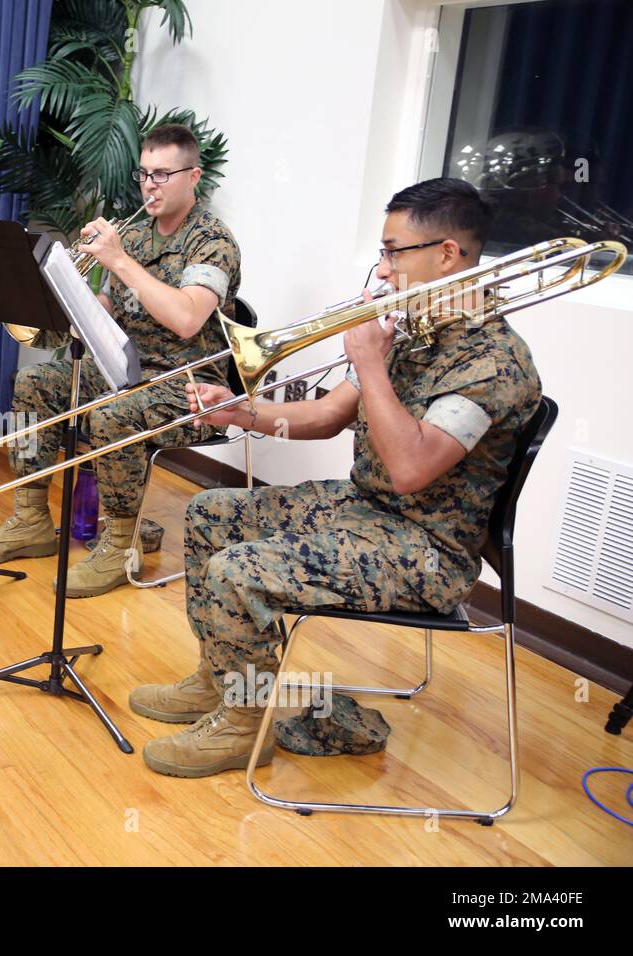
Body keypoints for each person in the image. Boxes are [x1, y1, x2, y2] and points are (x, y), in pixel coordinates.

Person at [134, 177, 542, 778]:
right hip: (366, 508)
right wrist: (241, 413)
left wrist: (371, 362)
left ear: (448, 254)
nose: (382, 270)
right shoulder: (414, 331)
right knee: (209, 513)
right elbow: (327, 415)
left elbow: (410, 469)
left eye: (393, 252)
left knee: (236, 570)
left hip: (425, 549)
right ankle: (221, 681)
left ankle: (243, 729)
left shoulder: (493, 361)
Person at [0, 123, 241, 598]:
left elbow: (187, 319)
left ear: (194, 176)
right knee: (34, 381)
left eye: (163, 174)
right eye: (144, 174)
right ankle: (30, 519)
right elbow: (107, 313)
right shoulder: (135, 234)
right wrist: (65, 291)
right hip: (125, 367)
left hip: (188, 386)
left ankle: (120, 547)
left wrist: (119, 260)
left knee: (114, 414)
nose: (149, 185)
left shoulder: (212, 241)